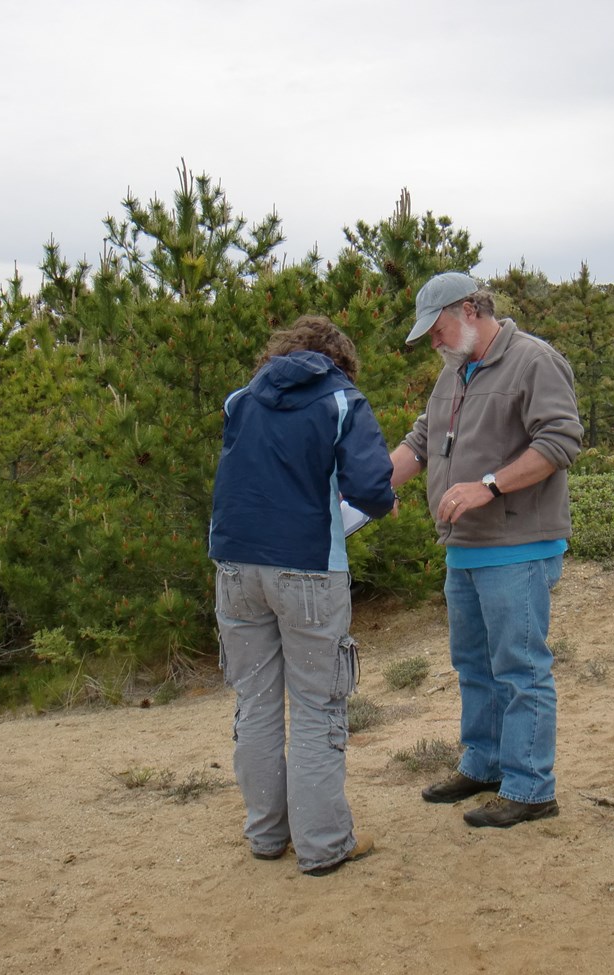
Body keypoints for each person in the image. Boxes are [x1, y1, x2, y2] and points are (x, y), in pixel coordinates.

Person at [389, 272, 583, 828]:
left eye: (439, 328)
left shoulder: (533, 360)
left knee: (519, 669)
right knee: (473, 665)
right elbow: (422, 440)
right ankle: (485, 764)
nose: (434, 342)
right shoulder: (454, 372)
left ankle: (530, 788)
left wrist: (488, 485)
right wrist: (375, 486)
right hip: (465, 549)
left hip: (518, 545)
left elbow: (560, 441)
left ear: (471, 310)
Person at [210, 315, 395, 875]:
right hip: (309, 571)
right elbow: (373, 489)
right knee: (317, 708)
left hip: (236, 566)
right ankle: (323, 845)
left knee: (256, 704)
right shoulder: (342, 400)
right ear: (342, 360)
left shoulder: (242, 399)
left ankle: (267, 836)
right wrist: (371, 505)